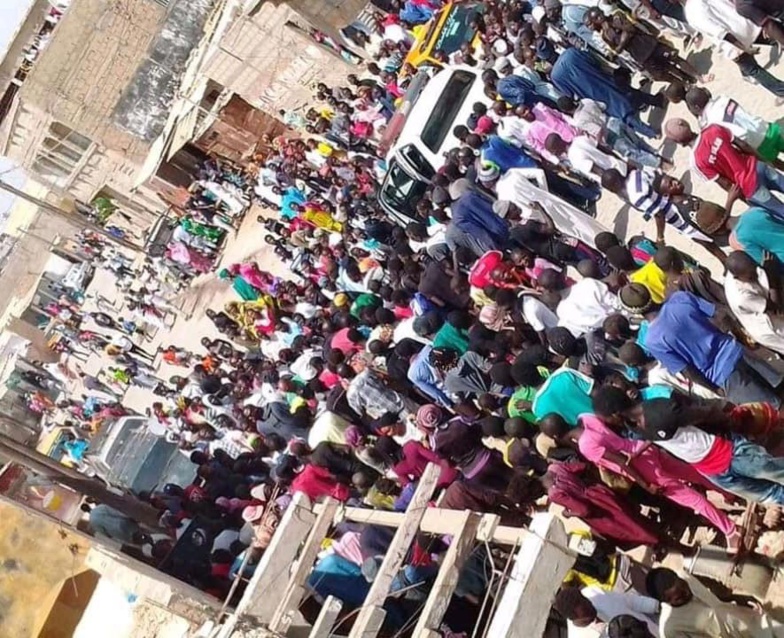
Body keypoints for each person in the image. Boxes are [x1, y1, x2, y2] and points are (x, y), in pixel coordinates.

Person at [645, 290, 783, 405]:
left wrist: (714, 389)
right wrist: (741, 339)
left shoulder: (653, 341)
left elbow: (687, 370)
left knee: (773, 409)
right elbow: (720, 314)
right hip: (737, 350)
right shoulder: (679, 298)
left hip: (722, 377)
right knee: (780, 385)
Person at [665, 118, 784, 219]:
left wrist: (745, 200)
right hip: (758, 167)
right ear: (686, 123)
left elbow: (726, 184)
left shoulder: (696, 162)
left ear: (678, 142)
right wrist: (764, 161)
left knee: (780, 210)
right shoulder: (713, 128)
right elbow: (743, 145)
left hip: (749, 187)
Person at [646, 567, 784, 636]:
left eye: (684, 587)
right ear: (665, 601)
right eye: (679, 597)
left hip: (747, 621)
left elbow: (713, 600)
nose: (687, 593)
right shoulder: (670, 628)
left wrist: (741, 601)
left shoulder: (684, 576)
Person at [724, 250, 784, 354]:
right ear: (737, 277)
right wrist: (771, 277)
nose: (756, 275)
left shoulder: (740, 268)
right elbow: (775, 307)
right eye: (751, 276)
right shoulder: (741, 297)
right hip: (769, 328)